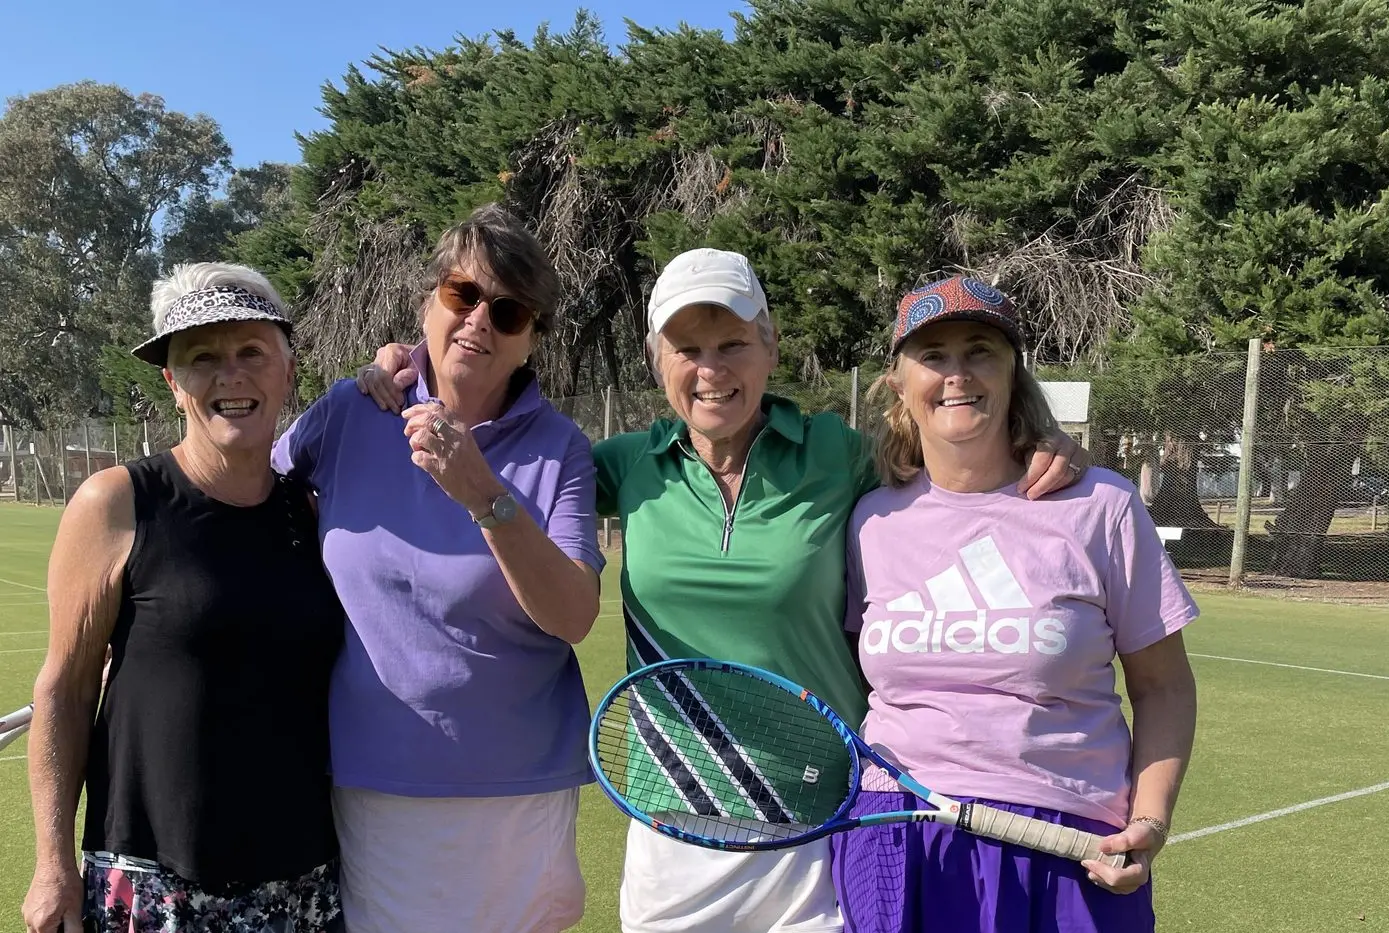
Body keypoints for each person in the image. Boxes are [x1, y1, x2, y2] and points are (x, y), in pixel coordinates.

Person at [359, 248, 1092, 932]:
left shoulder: (841, 454)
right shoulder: (617, 464)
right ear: (657, 362)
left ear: (770, 347)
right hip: (673, 823)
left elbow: (960, 458)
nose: (712, 368)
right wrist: (407, 373)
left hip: (818, 819)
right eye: (688, 348)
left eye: (733, 342)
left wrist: (1041, 436)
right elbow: (499, 447)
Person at [273, 203, 605, 933]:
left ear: (530, 341)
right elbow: (240, 498)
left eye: (509, 312)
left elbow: (575, 614)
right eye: (463, 294)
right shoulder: (349, 414)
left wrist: (483, 494)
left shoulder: (560, 449)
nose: (479, 321)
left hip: (517, 795)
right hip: (374, 784)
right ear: (428, 303)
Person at [835, 276, 1198, 933]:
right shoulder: (869, 517)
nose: (957, 374)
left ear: (1012, 372)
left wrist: (1150, 817)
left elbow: (1165, 687)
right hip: (896, 835)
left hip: (1064, 842)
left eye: (979, 350)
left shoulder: (1101, 506)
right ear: (897, 381)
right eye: (933, 355)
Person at [22, 263, 344, 933]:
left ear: (287, 369)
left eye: (251, 352)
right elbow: (65, 690)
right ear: (173, 383)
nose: (230, 375)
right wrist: (52, 863)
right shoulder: (116, 504)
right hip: (152, 889)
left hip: (300, 887)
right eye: (202, 359)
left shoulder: (313, 515)